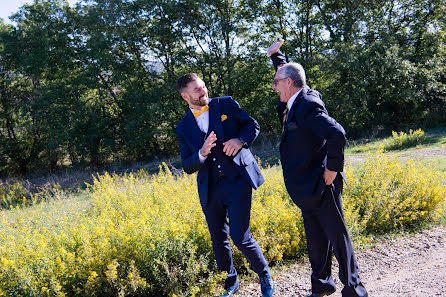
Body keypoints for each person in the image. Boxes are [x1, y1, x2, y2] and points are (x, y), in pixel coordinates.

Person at [266, 40, 368, 297]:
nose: (274, 85)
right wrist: (277, 57)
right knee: (315, 239)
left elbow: (337, 135)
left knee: (338, 237)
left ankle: (354, 288)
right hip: (306, 188)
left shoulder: (308, 106)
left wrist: (331, 171)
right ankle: (322, 285)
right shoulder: (295, 97)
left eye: (277, 81)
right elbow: (291, 73)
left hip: (321, 185)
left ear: (289, 83)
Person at [175, 73, 274, 297]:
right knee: (218, 239)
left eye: (203, 87)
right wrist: (201, 153)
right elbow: (187, 165)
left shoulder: (225, 104)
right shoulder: (183, 127)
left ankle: (264, 274)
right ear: (185, 96)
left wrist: (239, 141)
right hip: (210, 188)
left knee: (240, 237)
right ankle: (230, 283)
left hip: (237, 181)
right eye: (197, 90)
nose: (203, 92)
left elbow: (252, 125)